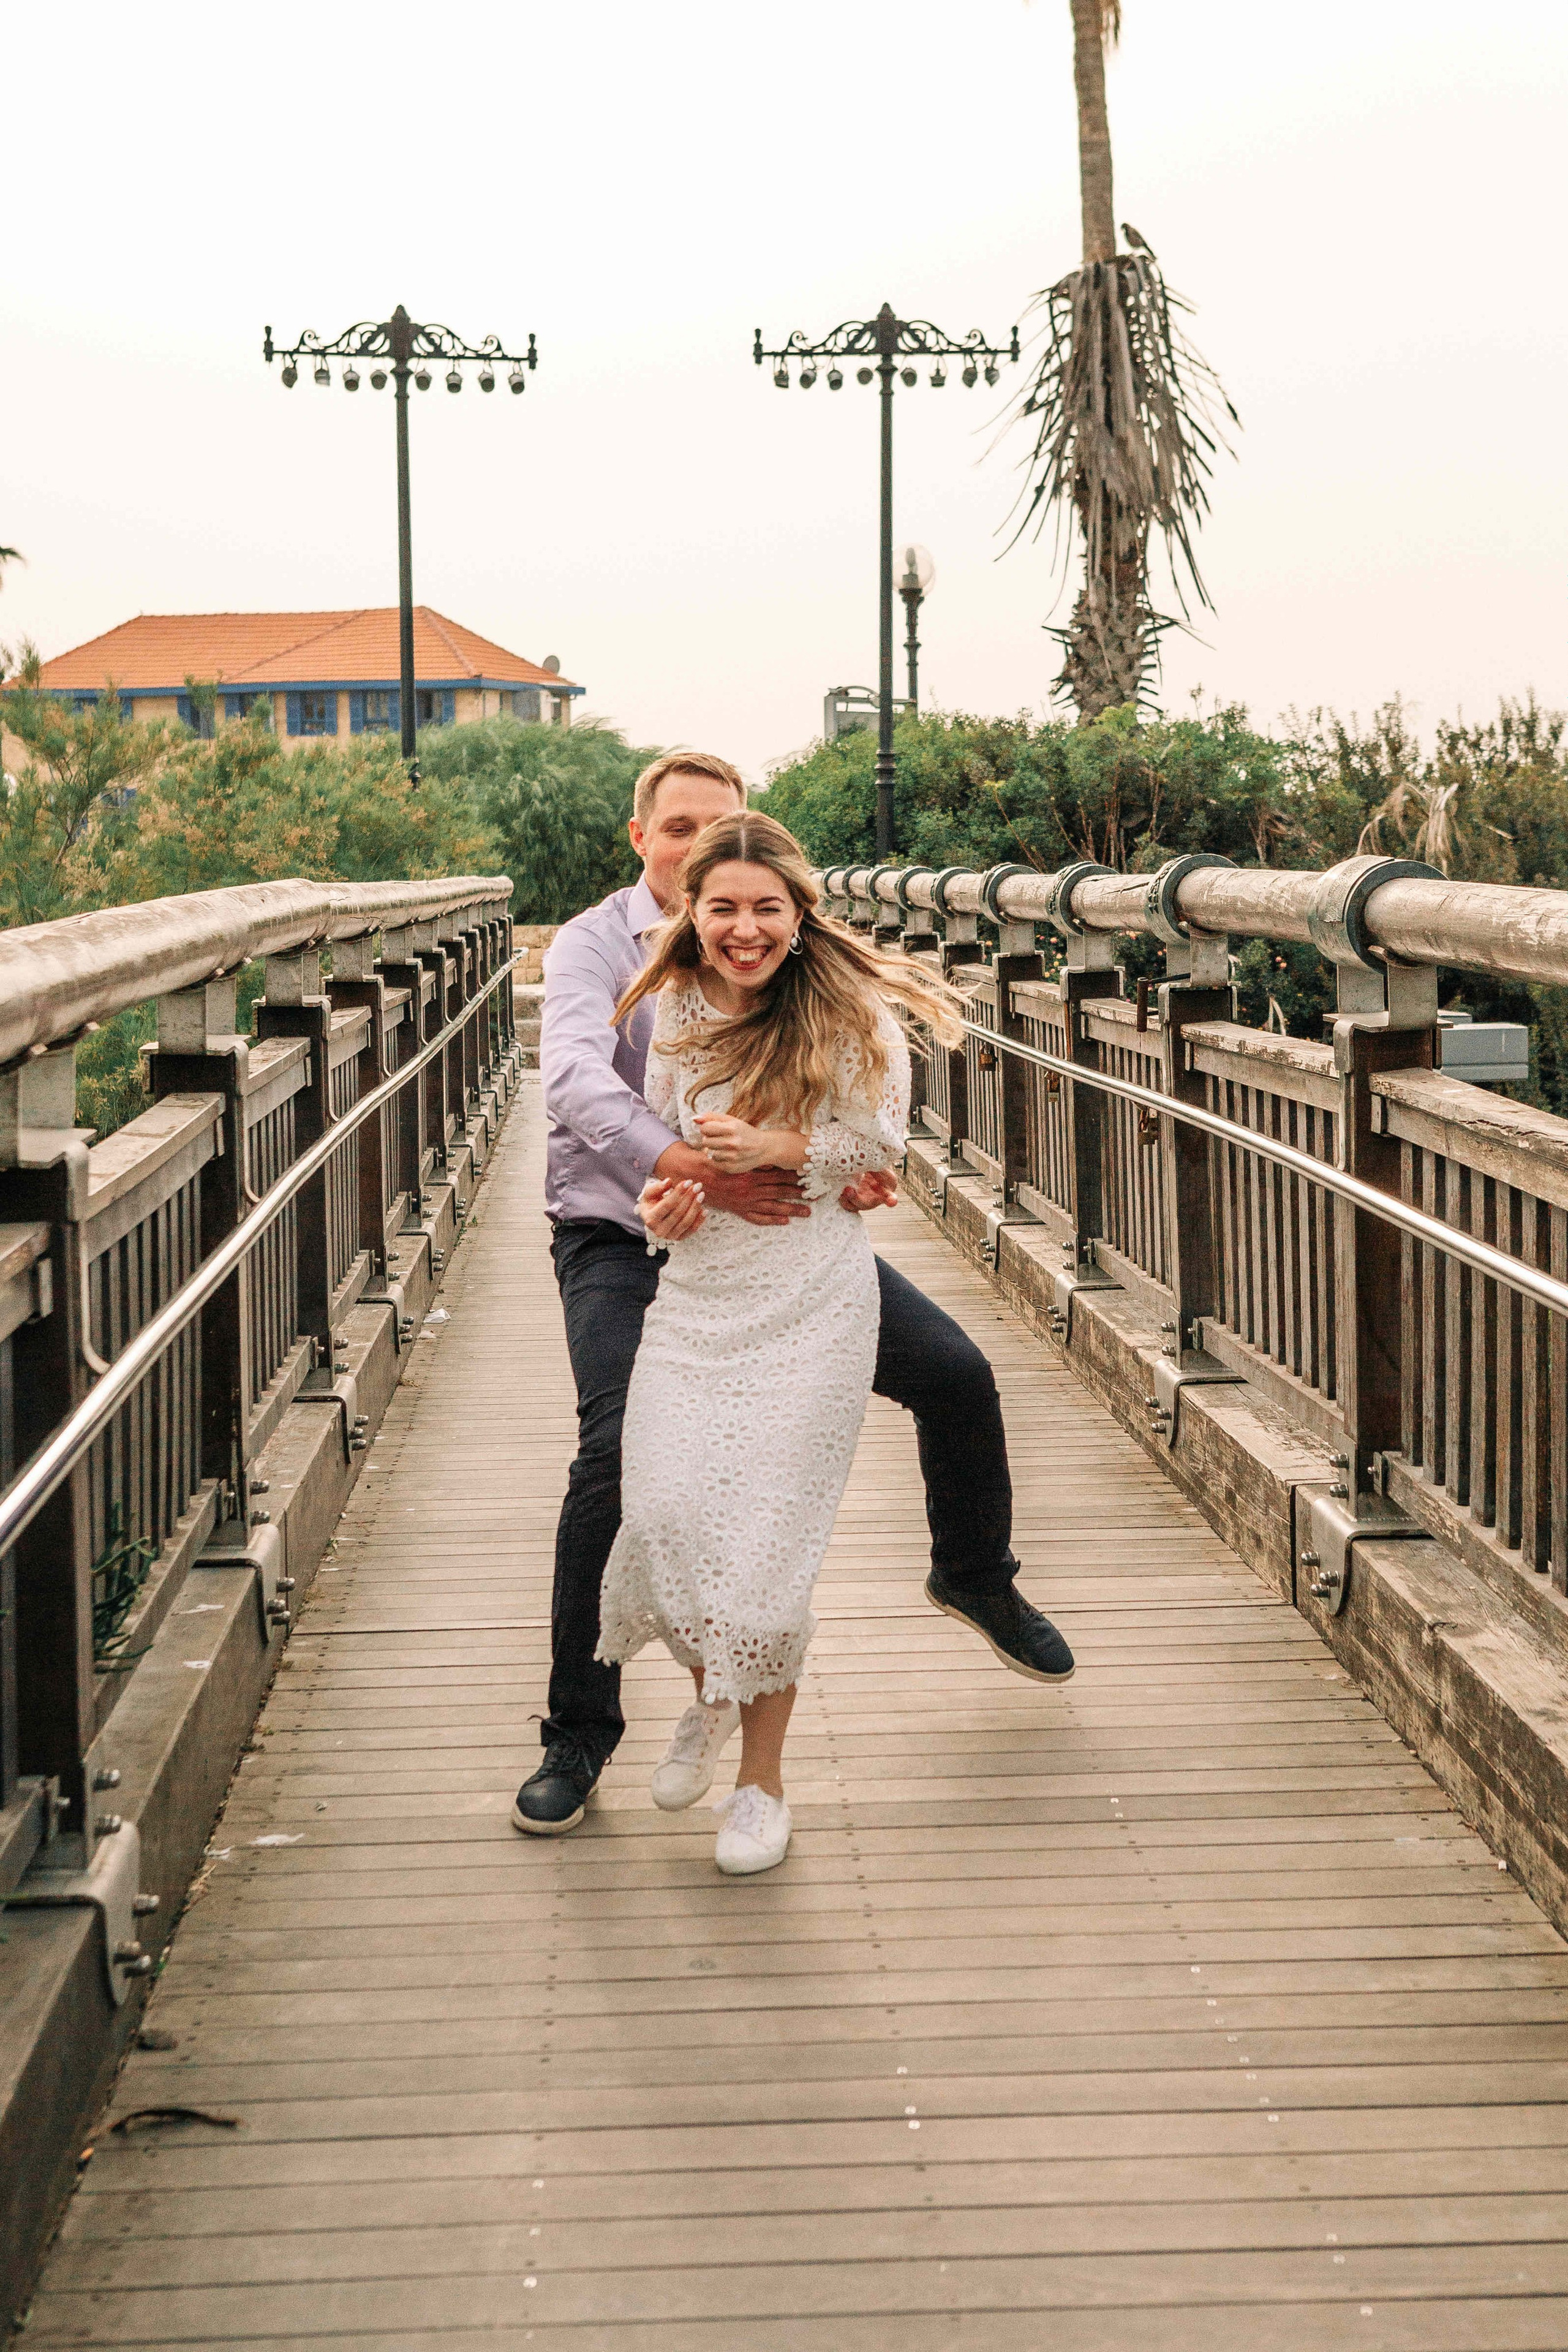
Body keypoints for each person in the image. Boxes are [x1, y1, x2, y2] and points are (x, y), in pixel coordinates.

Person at [517, 750, 1074, 1841]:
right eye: (679, 830)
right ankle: (579, 1732)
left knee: (956, 1376)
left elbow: (866, 1126)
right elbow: (577, 1080)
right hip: (623, 1236)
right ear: (643, 841)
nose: (699, 851)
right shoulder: (597, 947)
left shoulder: (801, 970)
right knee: (617, 1455)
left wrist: (831, 1168)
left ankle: (973, 1575)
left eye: (721, 829)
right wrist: (693, 1172)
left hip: (777, 1242)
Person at [595, 810, 957, 1872]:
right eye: (724, 909)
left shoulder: (850, 1013)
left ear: (800, 914)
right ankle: (712, 1698)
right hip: (696, 1298)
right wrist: (667, 1208)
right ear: (691, 912)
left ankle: (761, 1786)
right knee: (661, 1519)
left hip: (810, 1305)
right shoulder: (673, 1006)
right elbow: (669, 1157)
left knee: (764, 1557)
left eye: (766, 909)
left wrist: (774, 1144)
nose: (744, 929)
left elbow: (880, 1147)